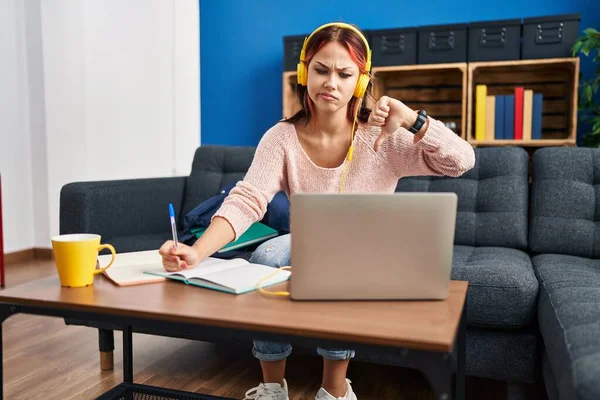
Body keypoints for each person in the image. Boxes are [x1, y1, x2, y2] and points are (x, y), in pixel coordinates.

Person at [159, 21, 475, 400]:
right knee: (265, 254)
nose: (331, 83)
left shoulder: (384, 137)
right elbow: (248, 199)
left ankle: (335, 389)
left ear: (361, 82)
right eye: (322, 70)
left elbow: (461, 161)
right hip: (310, 243)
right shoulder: (281, 138)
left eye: (345, 74)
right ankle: (273, 386)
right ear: (305, 72)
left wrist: (412, 119)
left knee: (338, 266)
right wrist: (196, 252)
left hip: (365, 252)